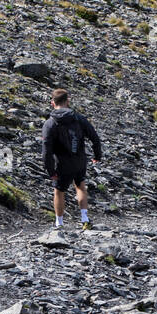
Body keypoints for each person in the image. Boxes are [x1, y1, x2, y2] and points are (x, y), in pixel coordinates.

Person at [40, 88, 103, 230]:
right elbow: (94, 137)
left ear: (52, 103)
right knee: (80, 186)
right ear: (68, 101)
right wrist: (97, 155)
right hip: (80, 160)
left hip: (61, 163)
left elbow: (46, 151)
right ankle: (85, 219)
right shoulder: (79, 118)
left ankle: (59, 223)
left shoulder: (50, 124)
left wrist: (50, 171)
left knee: (59, 191)